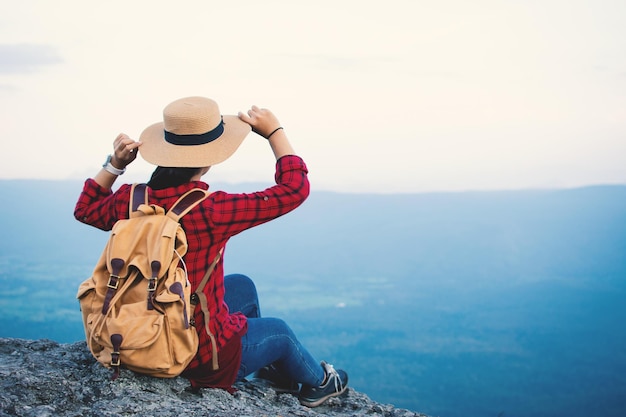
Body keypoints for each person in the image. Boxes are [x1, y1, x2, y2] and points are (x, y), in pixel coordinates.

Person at [74, 96, 348, 407]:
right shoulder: (210, 210)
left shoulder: (132, 199)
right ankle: (323, 383)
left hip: (138, 326)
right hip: (196, 357)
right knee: (281, 334)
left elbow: (84, 210)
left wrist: (115, 164)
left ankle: (271, 368)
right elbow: (294, 189)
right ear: (209, 158)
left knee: (241, 285)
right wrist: (275, 133)